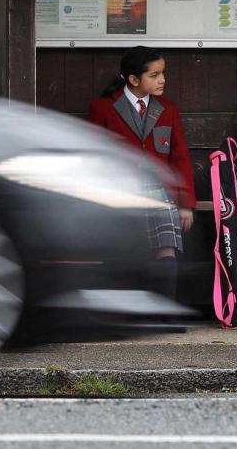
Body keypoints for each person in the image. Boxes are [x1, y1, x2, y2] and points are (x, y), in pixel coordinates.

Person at [88, 46, 196, 300]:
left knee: (167, 246)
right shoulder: (104, 108)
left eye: (163, 73)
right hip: (119, 191)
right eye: (155, 75)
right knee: (122, 246)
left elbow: (180, 158)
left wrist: (185, 204)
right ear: (134, 79)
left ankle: (164, 310)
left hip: (161, 191)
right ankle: (122, 308)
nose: (162, 80)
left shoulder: (167, 109)